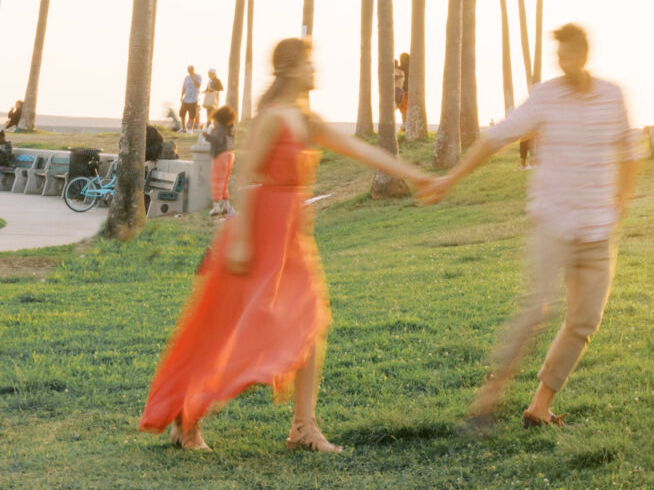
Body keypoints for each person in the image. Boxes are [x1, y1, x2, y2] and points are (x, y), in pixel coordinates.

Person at [140, 35, 434, 452]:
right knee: (235, 330)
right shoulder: (275, 117)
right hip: (259, 234)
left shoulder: (304, 119)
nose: (316, 71)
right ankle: (187, 417)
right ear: (293, 69)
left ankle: (303, 427)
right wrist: (240, 242)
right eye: (310, 63)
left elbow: (358, 149)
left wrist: (417, 176)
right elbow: (246, 177)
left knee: (312, 321)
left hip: (292, 235)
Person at [426, 22, 641, 430]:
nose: (564, 62)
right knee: (534, 312)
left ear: (585, 54)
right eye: (559, 56)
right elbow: (496, 138)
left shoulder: (611, 97)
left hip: (596, 228)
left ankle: (539, 406)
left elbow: (631, 150)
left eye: (570, 54)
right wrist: (449, 179)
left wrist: (621, 202)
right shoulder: (546, 97)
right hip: (553, 224)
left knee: (584, 321)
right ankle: (486, 402)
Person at [206, 104, 237, 216]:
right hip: (230, 154)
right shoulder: (231, 127)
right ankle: (226, 205)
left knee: (216, 180)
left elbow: (217, 141)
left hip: (220, 155)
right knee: (224, 181)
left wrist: (207, 136)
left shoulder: (219, 128)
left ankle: (216, 207)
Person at [180, 66, 201, 131]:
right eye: (189, 70)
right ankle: (184, 128)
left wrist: (193, 78)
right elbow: (184, 87)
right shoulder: (186, 77)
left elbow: (198, 85)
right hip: (186, 99)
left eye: (191, 70)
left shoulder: (198, 77)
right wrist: (181, 96)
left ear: (193, 70)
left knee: (192, 115)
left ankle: (191, 129)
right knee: (182, 113)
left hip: (193, 99)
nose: (190, 71)